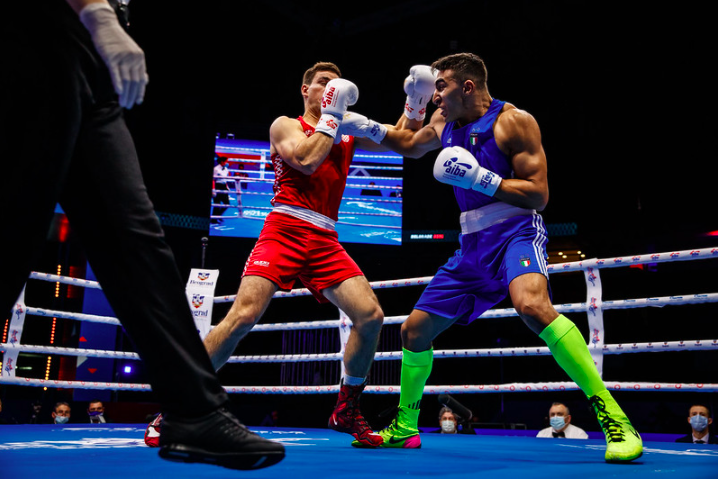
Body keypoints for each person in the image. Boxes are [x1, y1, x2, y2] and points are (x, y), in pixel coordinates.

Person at [0, 0, 283, 470]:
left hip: (88, 65)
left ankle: (195, 412)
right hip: (40, 31)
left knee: (137, 241)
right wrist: (96, 12)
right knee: (14, 227)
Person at [344, 53, 643, 463]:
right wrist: (364, 125)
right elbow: (410, 145)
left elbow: (539, 194)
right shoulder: (444, 123)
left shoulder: (515, 121)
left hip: (516, 229)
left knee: (532, 306)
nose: (435, 99)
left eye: (442, 88)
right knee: (413, 332)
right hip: (471, 243)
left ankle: (615, 418)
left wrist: (480, 178)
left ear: (467, 86)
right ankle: (406, 426)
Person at [198, 61, 387, 447]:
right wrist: (333, 117)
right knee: (243, 315)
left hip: (326, 238)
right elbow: (305, 160)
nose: (331, 89)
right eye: (323, 84)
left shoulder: (346, 130)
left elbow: (408, 141)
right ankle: (179, 404)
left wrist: (416, 103)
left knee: (371, 317)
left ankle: (346, 408)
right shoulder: (284, 124)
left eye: (336, 85)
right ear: (306, 90)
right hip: (284, 227)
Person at [211, 156, 233, 223]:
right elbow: (213, 180)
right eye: (226, 161)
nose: (227, 163)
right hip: (217, 186)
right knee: (217, 204)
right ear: (222, 162)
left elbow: (225, 179)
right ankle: (213, 219)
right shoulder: (215, 169)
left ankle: (219, 215)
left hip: (224, 186)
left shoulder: (226, 169)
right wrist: (213, 189)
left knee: (227, 203)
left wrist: (227, 187)